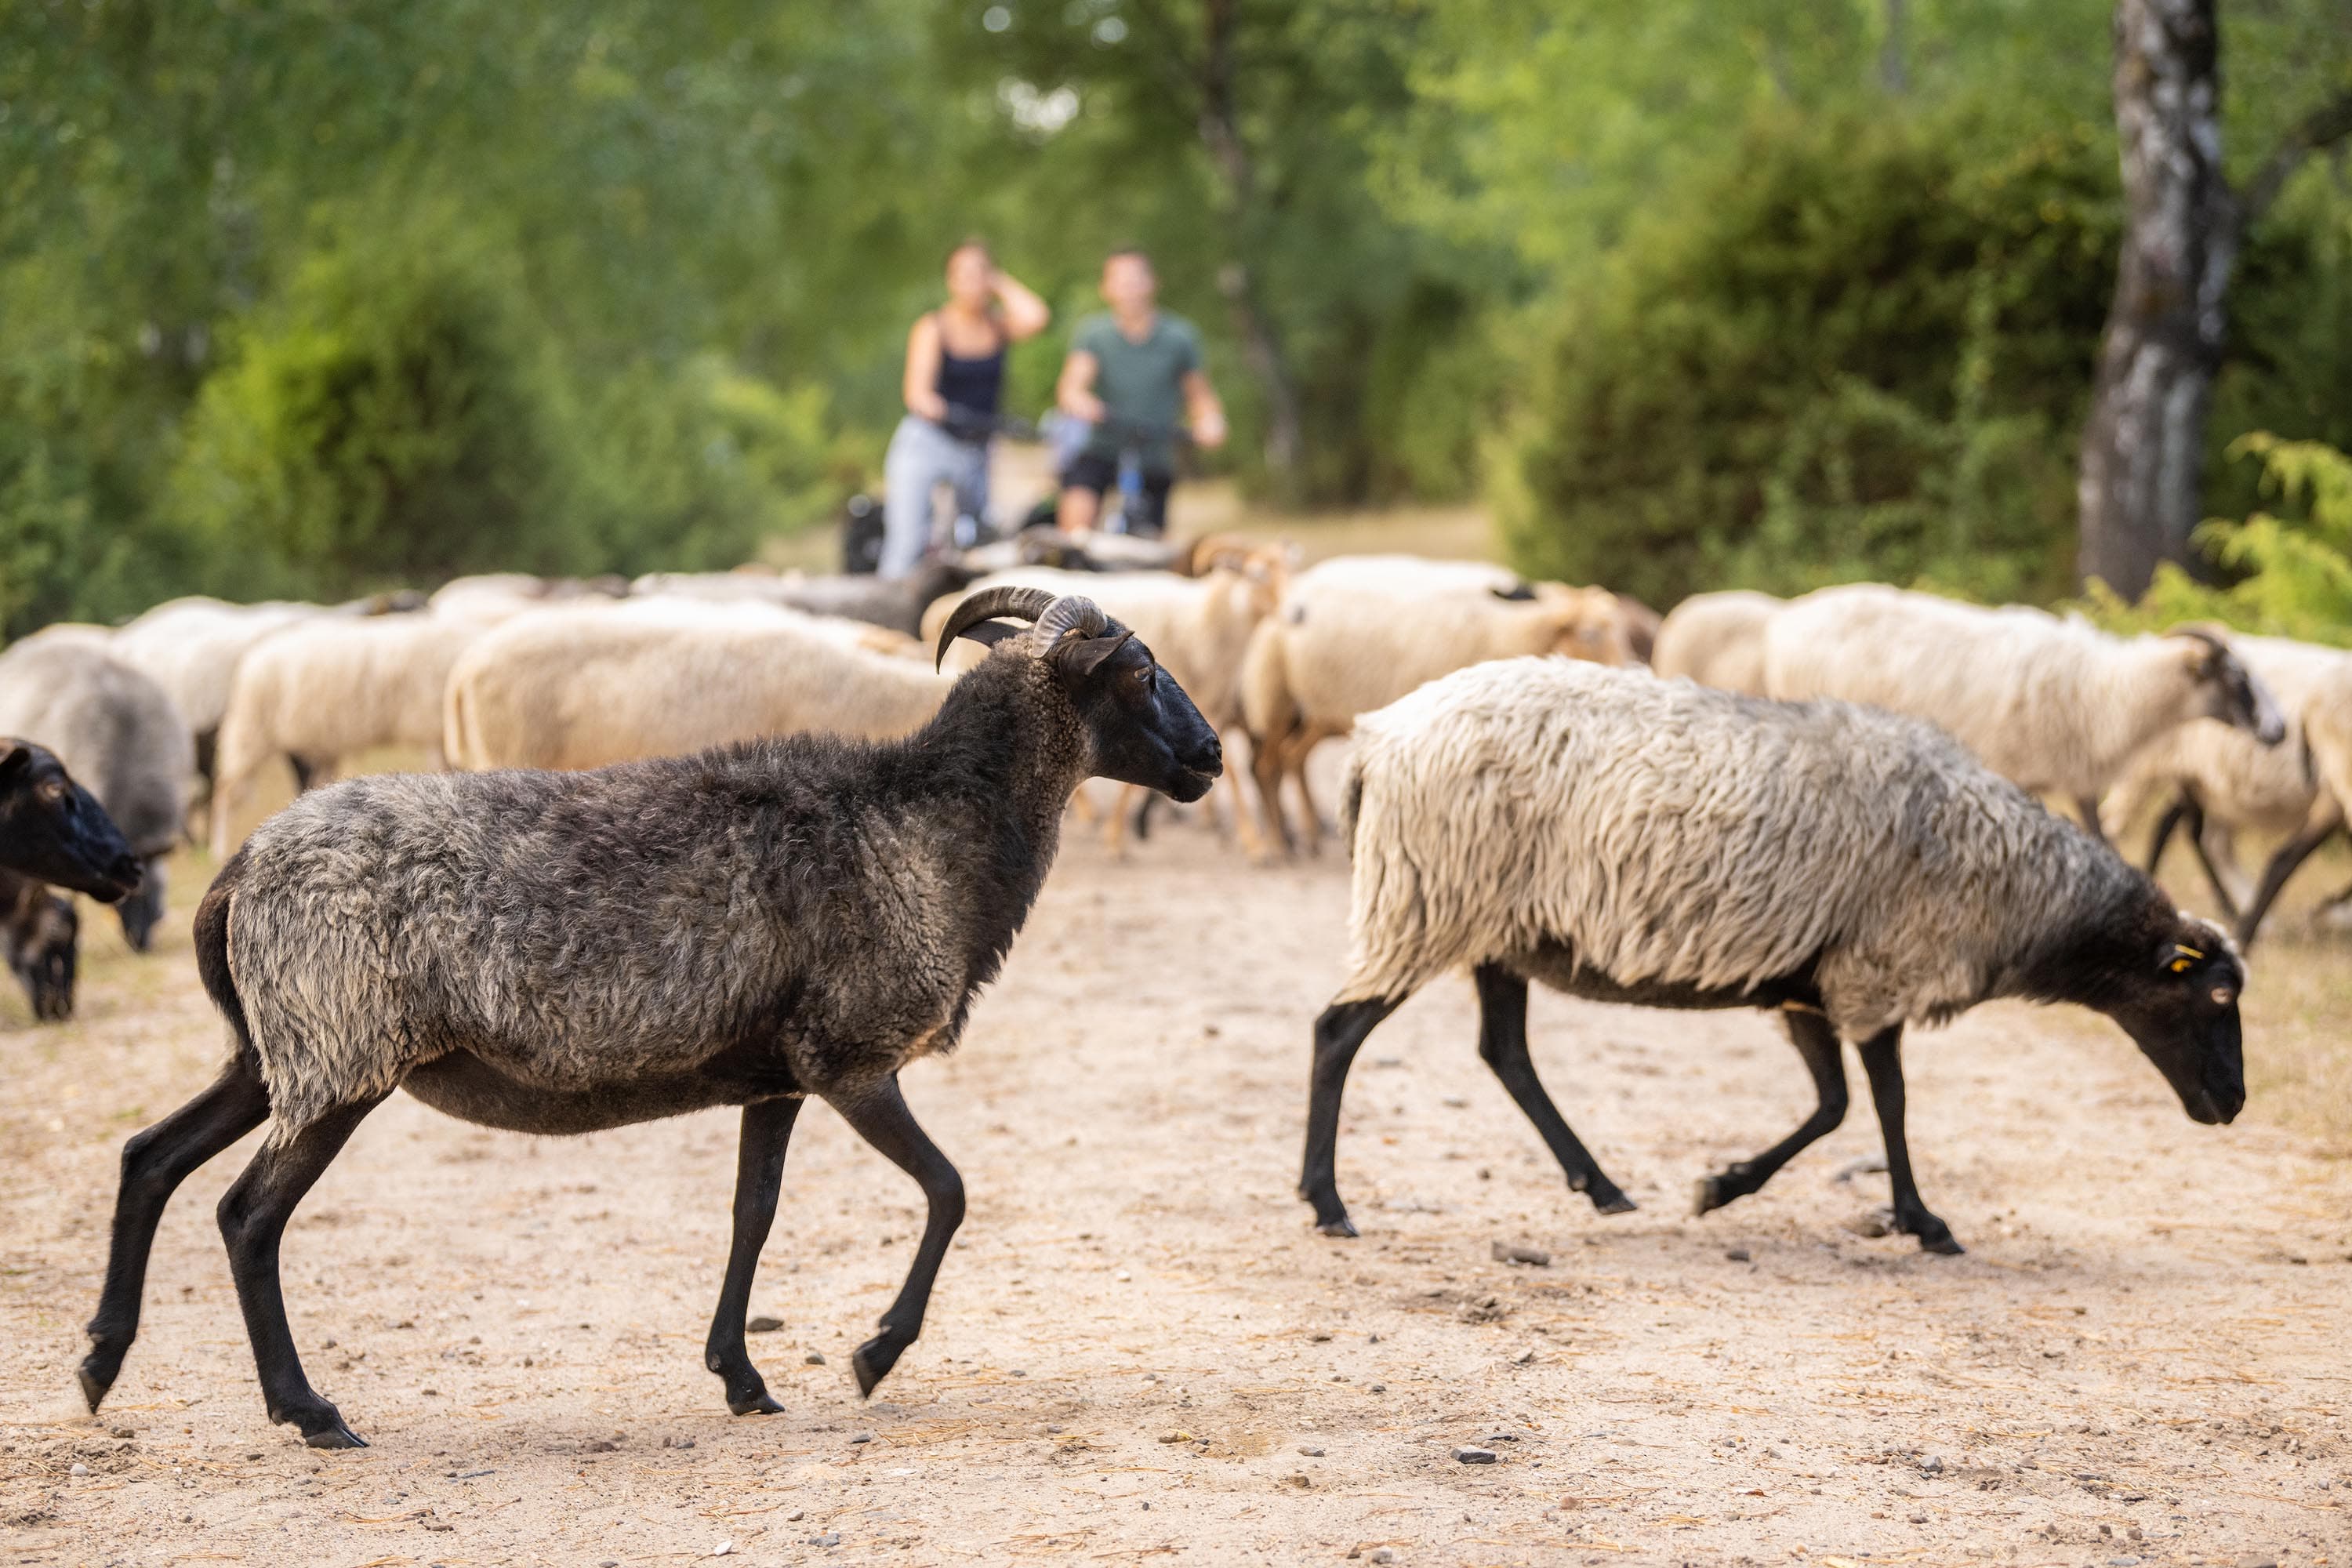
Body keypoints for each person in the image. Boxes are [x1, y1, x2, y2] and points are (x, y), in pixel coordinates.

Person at [879, 239, 1051, 579]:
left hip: (977, 447)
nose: (973, 282)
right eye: (965, 274)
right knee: (908, 540)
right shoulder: (933, 327)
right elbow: (916, 393)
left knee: (979, 541)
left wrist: (998, 282)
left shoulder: (997, 325)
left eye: (980, 273)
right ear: (950, 280)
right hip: (928, 442)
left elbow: (1037, 316)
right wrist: (940, 409)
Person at [1054, 248, 1228, 536]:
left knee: (1151, 546)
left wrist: (1211, 421)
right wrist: (1080, 401)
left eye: (1136, 280)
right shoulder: (1094, 334)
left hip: (1154, 453)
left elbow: (1200, 395)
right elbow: (1072, 386)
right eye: (1120, 282)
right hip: (1102, 447)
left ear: (1152, 283)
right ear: (1106, 288)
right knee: (1075, 521)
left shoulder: (1179, 337)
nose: (1129, 290)